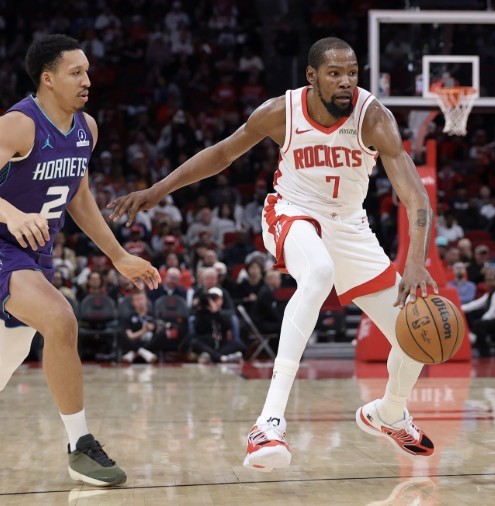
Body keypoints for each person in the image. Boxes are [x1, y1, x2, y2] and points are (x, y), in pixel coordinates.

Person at [108, 37, 436, 472]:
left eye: (352, 73)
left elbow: (416, 196)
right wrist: (157, 191)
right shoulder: (281, 112)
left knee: (418, 335)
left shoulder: (373, 117)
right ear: (312, 76)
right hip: (292, 211)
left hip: (349, 227)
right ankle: (268, 423)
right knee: (317, 273)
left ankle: (390, 413)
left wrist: (415, 262)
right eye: (335, 73)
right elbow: (221, 155)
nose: (346, 82)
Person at [0, 35, 160, 487]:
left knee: (7, 360)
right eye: (76, 72)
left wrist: (119, 256)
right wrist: (11, 214)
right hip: (4, 246)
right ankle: (80, 446)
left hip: (34, 255)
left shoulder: (86, 127)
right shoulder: (18, 124)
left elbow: (80, 197)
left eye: (87, 71)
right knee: (61, 319)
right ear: (47, 79)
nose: (87, 80)